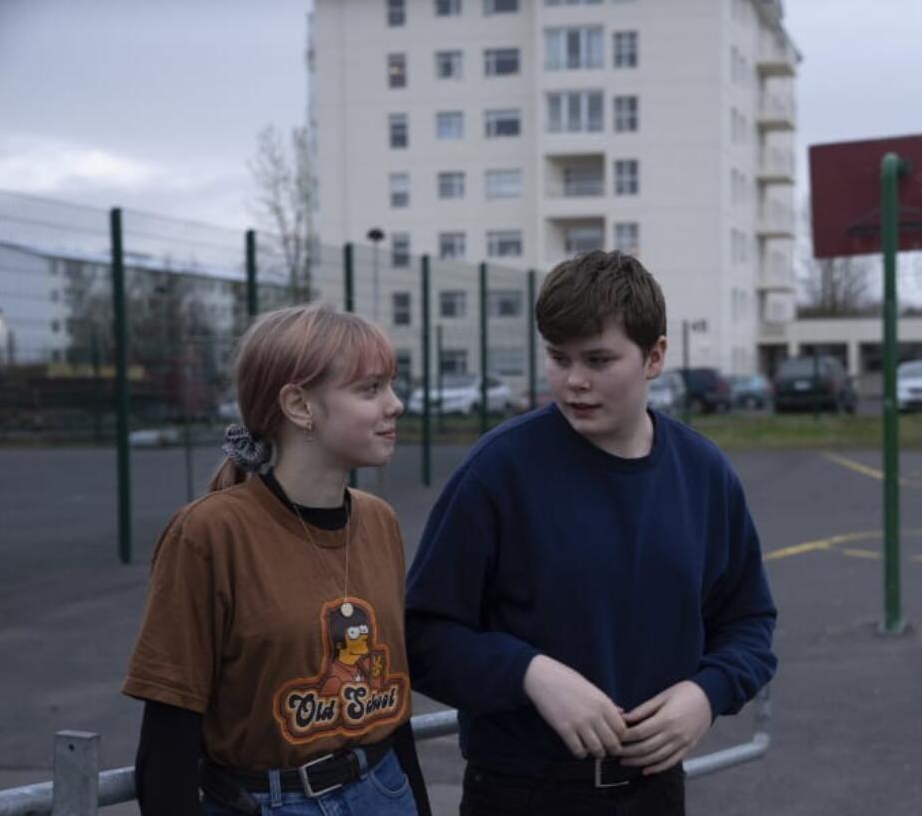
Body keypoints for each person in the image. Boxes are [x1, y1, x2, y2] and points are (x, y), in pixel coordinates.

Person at [405, 251, 777, 815]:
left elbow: (748, 621)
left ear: (655, 356)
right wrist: (530, 673)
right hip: (523, 793)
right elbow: (424, 635)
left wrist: (707, 693)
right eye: (559, 358)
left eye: (599, 360)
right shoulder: (498, 471)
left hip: (654, 791)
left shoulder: (704, 474)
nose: (574, 381)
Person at [123, 304, 430, 816]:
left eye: (390, 386)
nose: (395, 405)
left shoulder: (380, 521)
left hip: (383, 789)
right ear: (299, 405)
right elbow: (168, 736)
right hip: (268, 802)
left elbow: (392, 710)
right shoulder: (209, 534)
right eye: (370, 389)